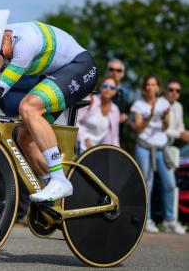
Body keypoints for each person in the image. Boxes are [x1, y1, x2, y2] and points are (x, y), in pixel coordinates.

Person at [0, 10, 98, 202]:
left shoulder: (25, 43)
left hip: (80, 66)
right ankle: (56, 196)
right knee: (25, 138)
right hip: (55, 74)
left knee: (28, 108)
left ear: (2, 39)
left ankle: (59, 180)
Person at [131, 75, 185, 234]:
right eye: (147, 85)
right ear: (144, 88)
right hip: (144, 146)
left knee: (170, 184)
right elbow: (139, 128)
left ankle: (169, 220)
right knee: (147, 183)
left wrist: (163, 117)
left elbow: (166, 126)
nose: (150, 87)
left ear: (158, 88)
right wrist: (150, 114)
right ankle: (146, 220)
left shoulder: (164, 103)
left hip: (161, 147)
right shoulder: (138, 104)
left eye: (153, 85)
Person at [76, 76, 120, 153]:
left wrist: (117, 154)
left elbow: (114, 138)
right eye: (105, 86)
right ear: (100, 87)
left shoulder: (115, 110)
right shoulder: (91, 100)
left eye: (112, 88)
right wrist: (85, 139)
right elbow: (76, 121)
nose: (108, 89)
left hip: (98, 152)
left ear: (115, 91)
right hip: (79, 145)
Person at [163, 79, 189, 144]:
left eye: (178, 91)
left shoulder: (179, 106)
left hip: (169, 144)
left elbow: (180, 127)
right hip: (154, 145)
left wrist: (185, 133)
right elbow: (159, 129)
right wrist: (179, 134)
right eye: (171, 90)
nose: (174, 92)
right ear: (165, 90)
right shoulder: (158, 104)